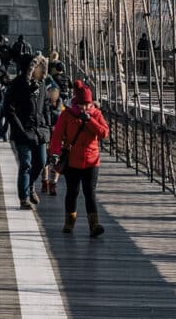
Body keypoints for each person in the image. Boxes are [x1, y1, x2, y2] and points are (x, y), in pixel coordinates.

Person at [47, 77, 110, 236]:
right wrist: (54, 154)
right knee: (72, 192)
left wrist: (90, 121)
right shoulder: (67, 115)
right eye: (83, 105)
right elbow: (57, 136)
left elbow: (104, 133)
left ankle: (94, 226)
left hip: (91, 161)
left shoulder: (95, 114)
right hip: (73, 161)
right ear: (77, 102)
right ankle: (69, 223)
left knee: (90, 193)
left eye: (89, 104)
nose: (86, 107)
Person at [2, 54, 52, 208]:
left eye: (42, 67)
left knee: (42, 162)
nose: (40, 69)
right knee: (26, 164)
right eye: (37, 66)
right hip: (23, 131)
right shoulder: (17, 84)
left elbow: (46, 106)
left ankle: (30, 185)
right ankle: (24, 198)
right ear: (30, 68)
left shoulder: (42, 84)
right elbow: (9, 109)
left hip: (40, 131)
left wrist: (48, 127)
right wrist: (20, 129)